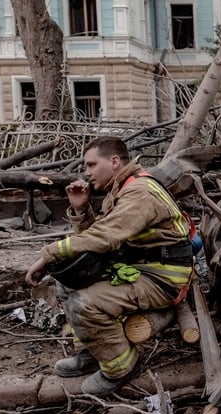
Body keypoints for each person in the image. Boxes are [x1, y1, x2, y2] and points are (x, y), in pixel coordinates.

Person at [26, 136, 193, 396]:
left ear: (114, 161)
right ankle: (93, 352)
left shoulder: (140, 192)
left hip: (162, 278)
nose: (87, 172)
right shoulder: (123, 188)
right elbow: (102, 237)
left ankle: (121, 366)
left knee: (83, 303)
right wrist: (81, 210)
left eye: (92, 165)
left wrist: (49, 255)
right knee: (67, 281)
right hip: (143, 268)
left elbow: (105, 236)